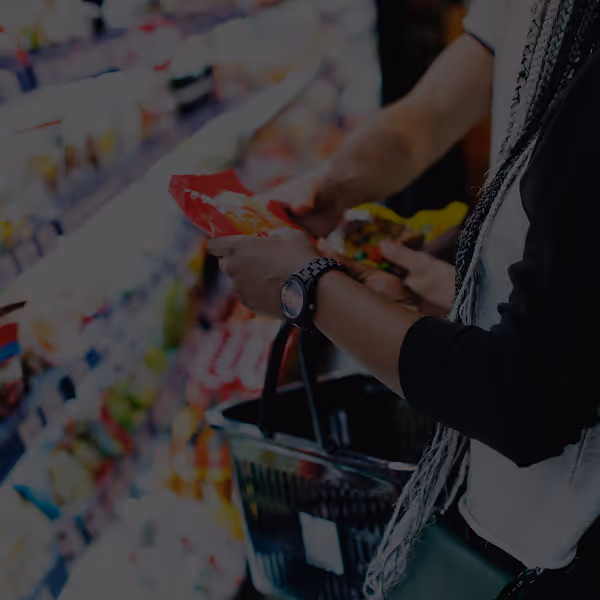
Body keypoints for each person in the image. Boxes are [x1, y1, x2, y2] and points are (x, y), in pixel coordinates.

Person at [209, 0, 600, 598]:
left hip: (564, 528)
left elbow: (528, 399)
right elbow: (434, 109)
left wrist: (310, 288)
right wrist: (333, 188)